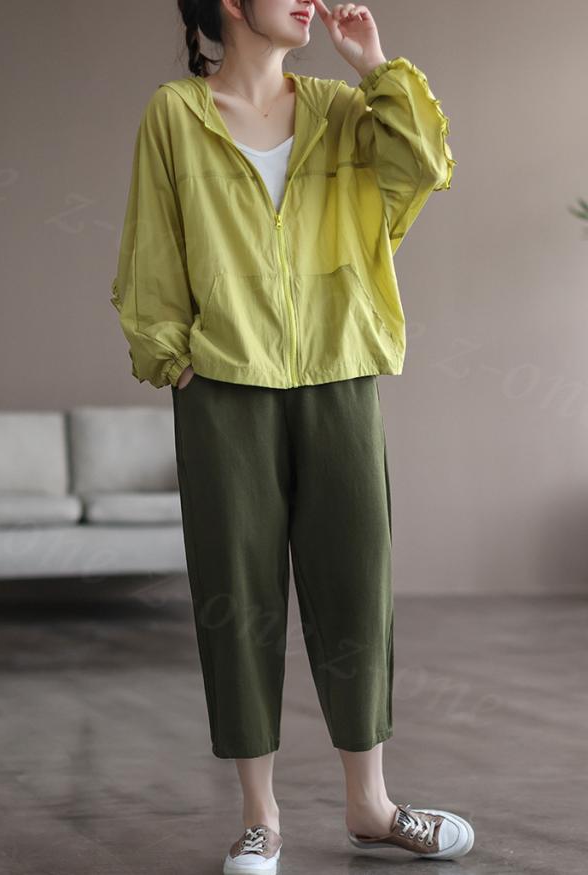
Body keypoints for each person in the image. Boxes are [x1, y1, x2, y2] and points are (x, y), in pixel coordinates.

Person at [111, 0, 472, 870]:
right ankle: (260, 818)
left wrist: (375, 68)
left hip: (339, 375)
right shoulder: (176, 114)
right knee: (238, 598)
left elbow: (425, 168)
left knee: (356, 589)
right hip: (224, 388)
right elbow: (152, 245)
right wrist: (173, 359)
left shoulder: (344, 110)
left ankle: (370, 805)